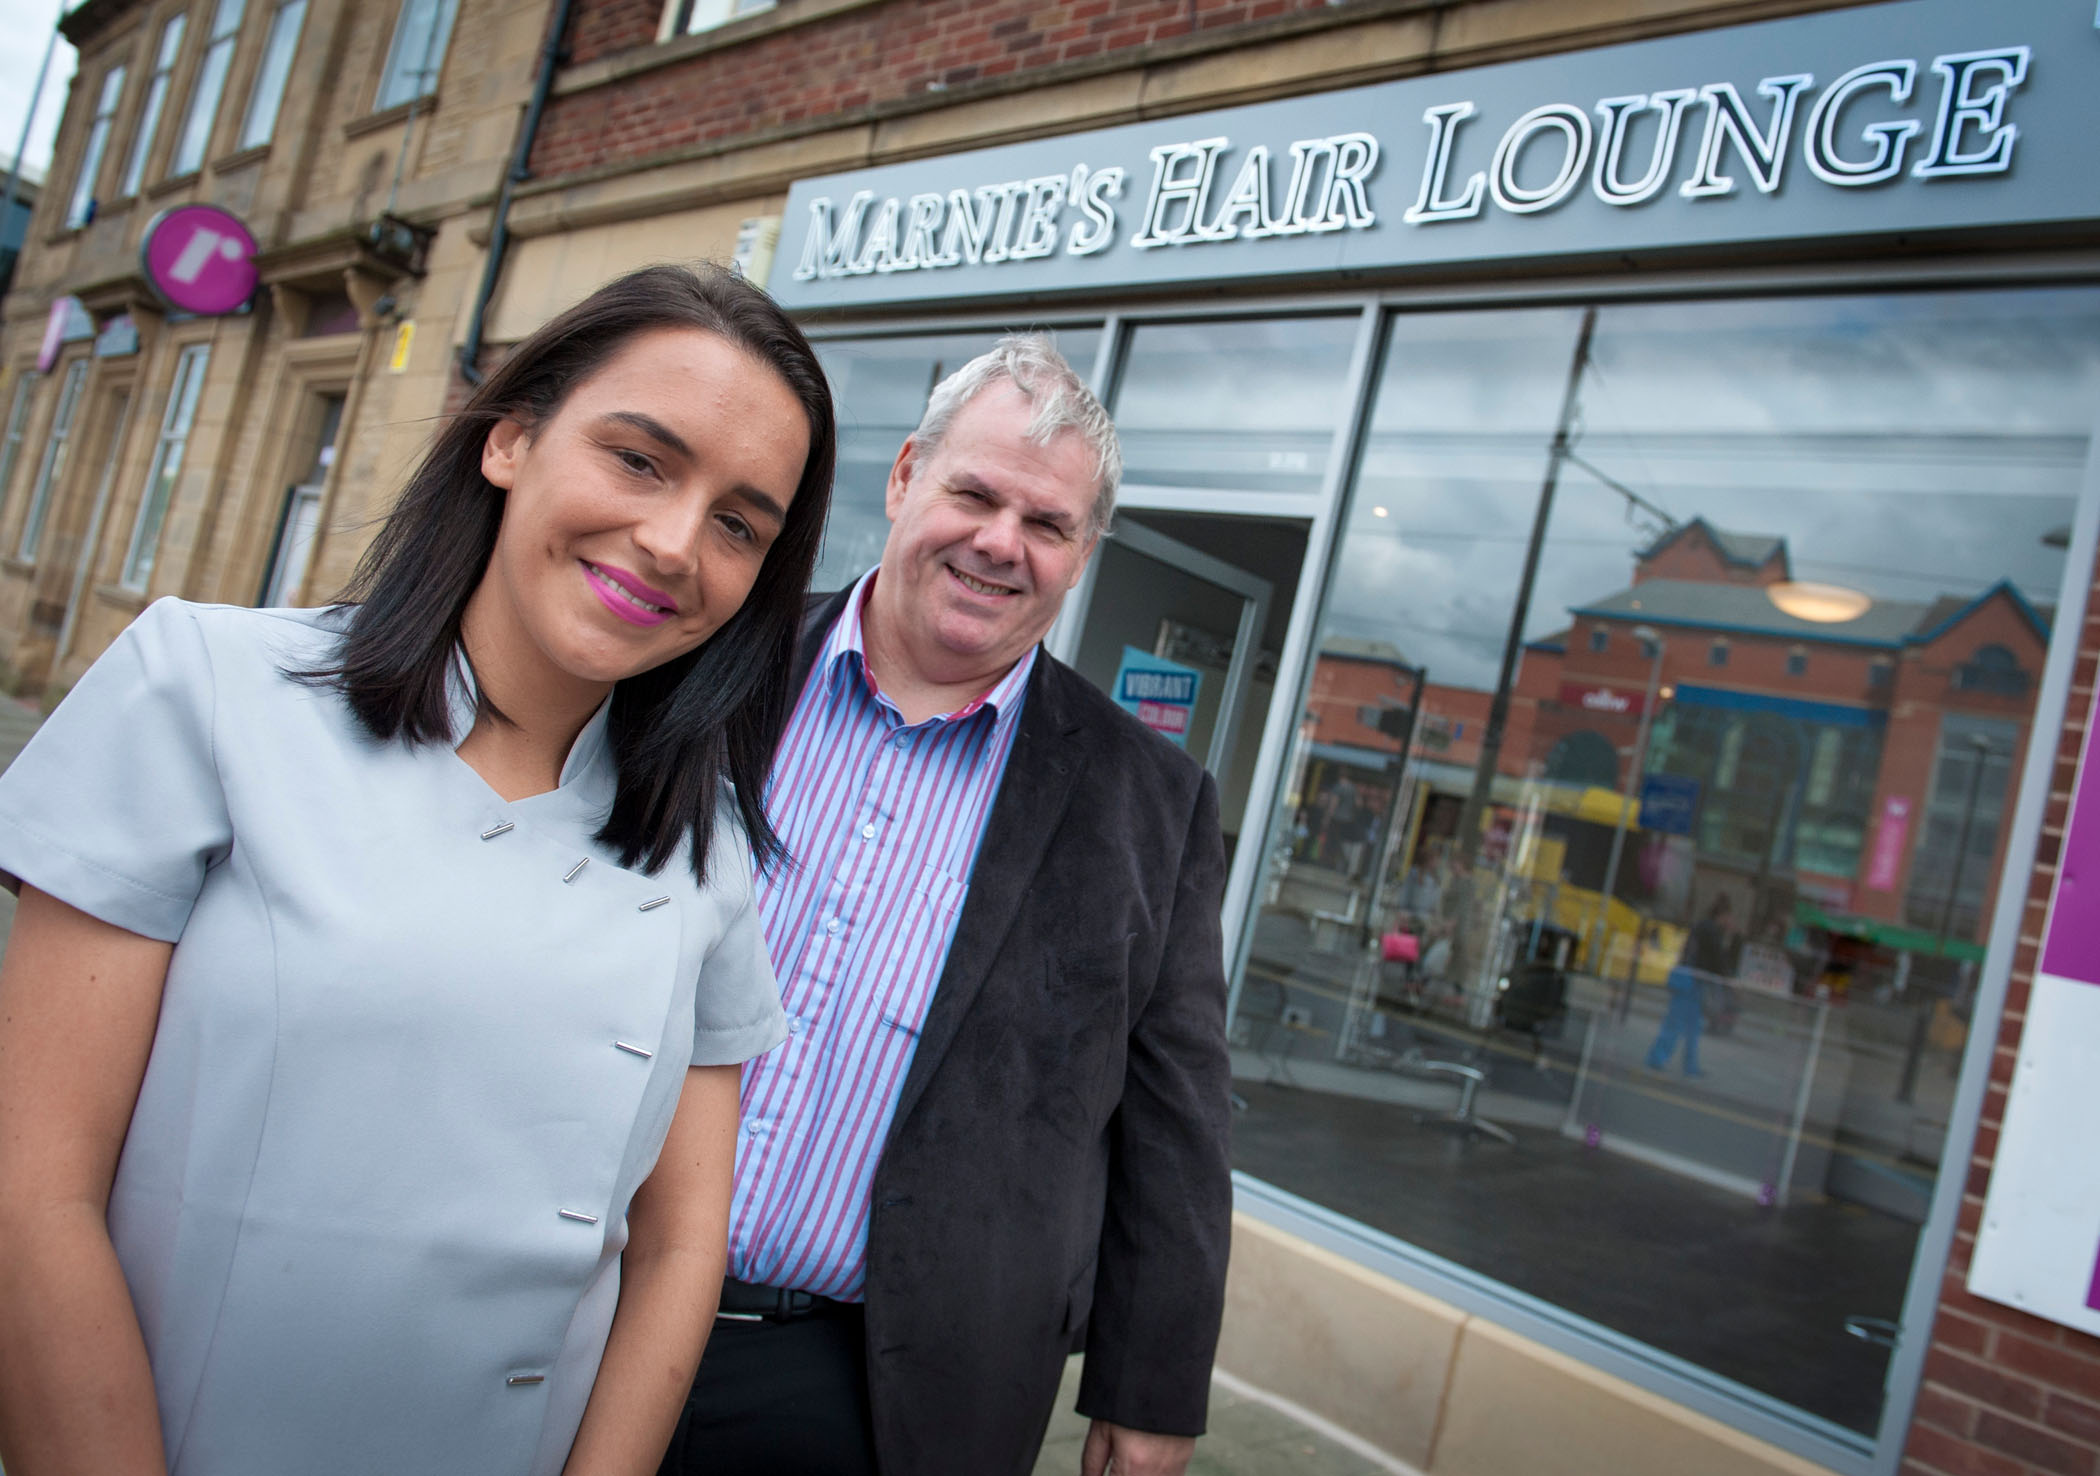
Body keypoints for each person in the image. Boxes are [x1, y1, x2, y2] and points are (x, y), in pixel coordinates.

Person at [0, 264, 835, 1476]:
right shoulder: (204, 690)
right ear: (509, 440)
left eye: (739, 523)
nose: (672, 543)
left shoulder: (702, 848)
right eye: (641, 460)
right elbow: (34, 1191)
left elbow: (674, 1249)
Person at [658, 337, 1232, 1476]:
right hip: (584, 1299)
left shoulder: (1150, 803)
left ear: (1083, 553)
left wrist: (1151, 1387)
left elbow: (1179, 1120)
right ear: (906, 475)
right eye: (974, 492)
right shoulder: (710, 660)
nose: (1000, 544)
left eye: (1048, 524)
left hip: (884, 1392)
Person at [1646, 892, 1736, 1077]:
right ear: (1723, 915)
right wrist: (1729, 980)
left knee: (1686, 1024)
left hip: (1688, 979)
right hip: (1692, 981)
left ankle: (1677, 1062)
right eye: (1728, 917)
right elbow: (1716, 958)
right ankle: (1669, 1060)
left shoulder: (1703, 926)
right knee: (1683, 1024)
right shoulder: (1711, 930)